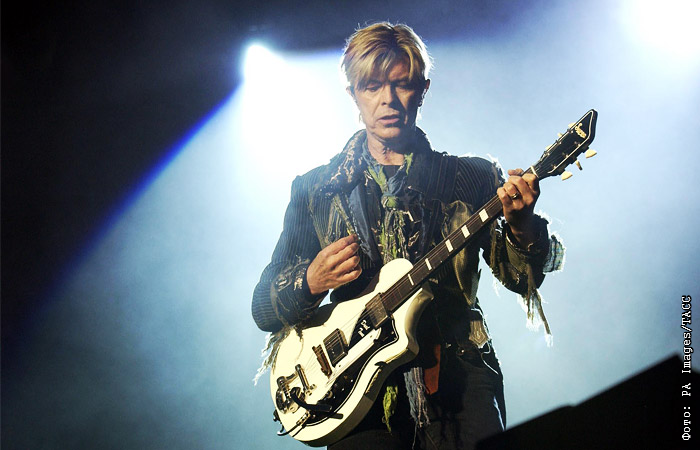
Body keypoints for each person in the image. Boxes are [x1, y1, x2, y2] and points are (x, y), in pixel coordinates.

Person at [252, 22, 564, 450]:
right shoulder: (317, 190)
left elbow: (520, 278)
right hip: (351, 390)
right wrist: (309, 281)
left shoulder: (470, 177)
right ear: (353, 94)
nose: (387, 99)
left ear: (423, 90)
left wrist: (521, 223)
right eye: (372, 86)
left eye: (401, 84)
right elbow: (263, 308)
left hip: (457, 375)